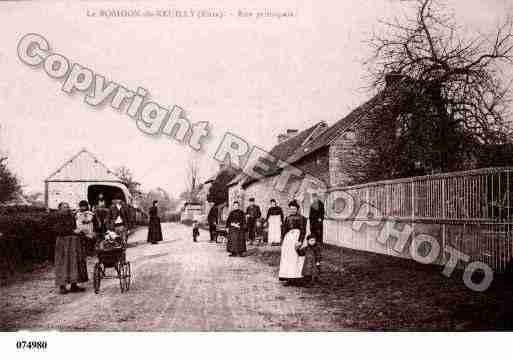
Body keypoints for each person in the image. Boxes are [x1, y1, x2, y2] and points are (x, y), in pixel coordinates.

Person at [52, 202, 88, 294]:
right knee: (63, 263)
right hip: (63, 243)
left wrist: (79, 232)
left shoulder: (71, 216)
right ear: (59, 209)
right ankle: (62, 286)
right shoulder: (57, 217)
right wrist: (73, 231)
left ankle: (74, 285)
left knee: (74, 262)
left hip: (73, 243)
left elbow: (74, 227)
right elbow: (58, 230)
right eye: (64, 207)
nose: (67, 208)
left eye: (67, 207)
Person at [278, 199, 307, 285]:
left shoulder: (302, 218)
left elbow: (303, 231)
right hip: (288, 239)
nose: (292, 210)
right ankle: (289, 278)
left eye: (294, 209)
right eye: (291, 209)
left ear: (297, 209)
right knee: (288, 258)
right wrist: (282, 240)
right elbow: (284, 230)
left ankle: (298, 278)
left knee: (297, 258)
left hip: (297, 239)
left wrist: (300, 241)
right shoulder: (287, 218)